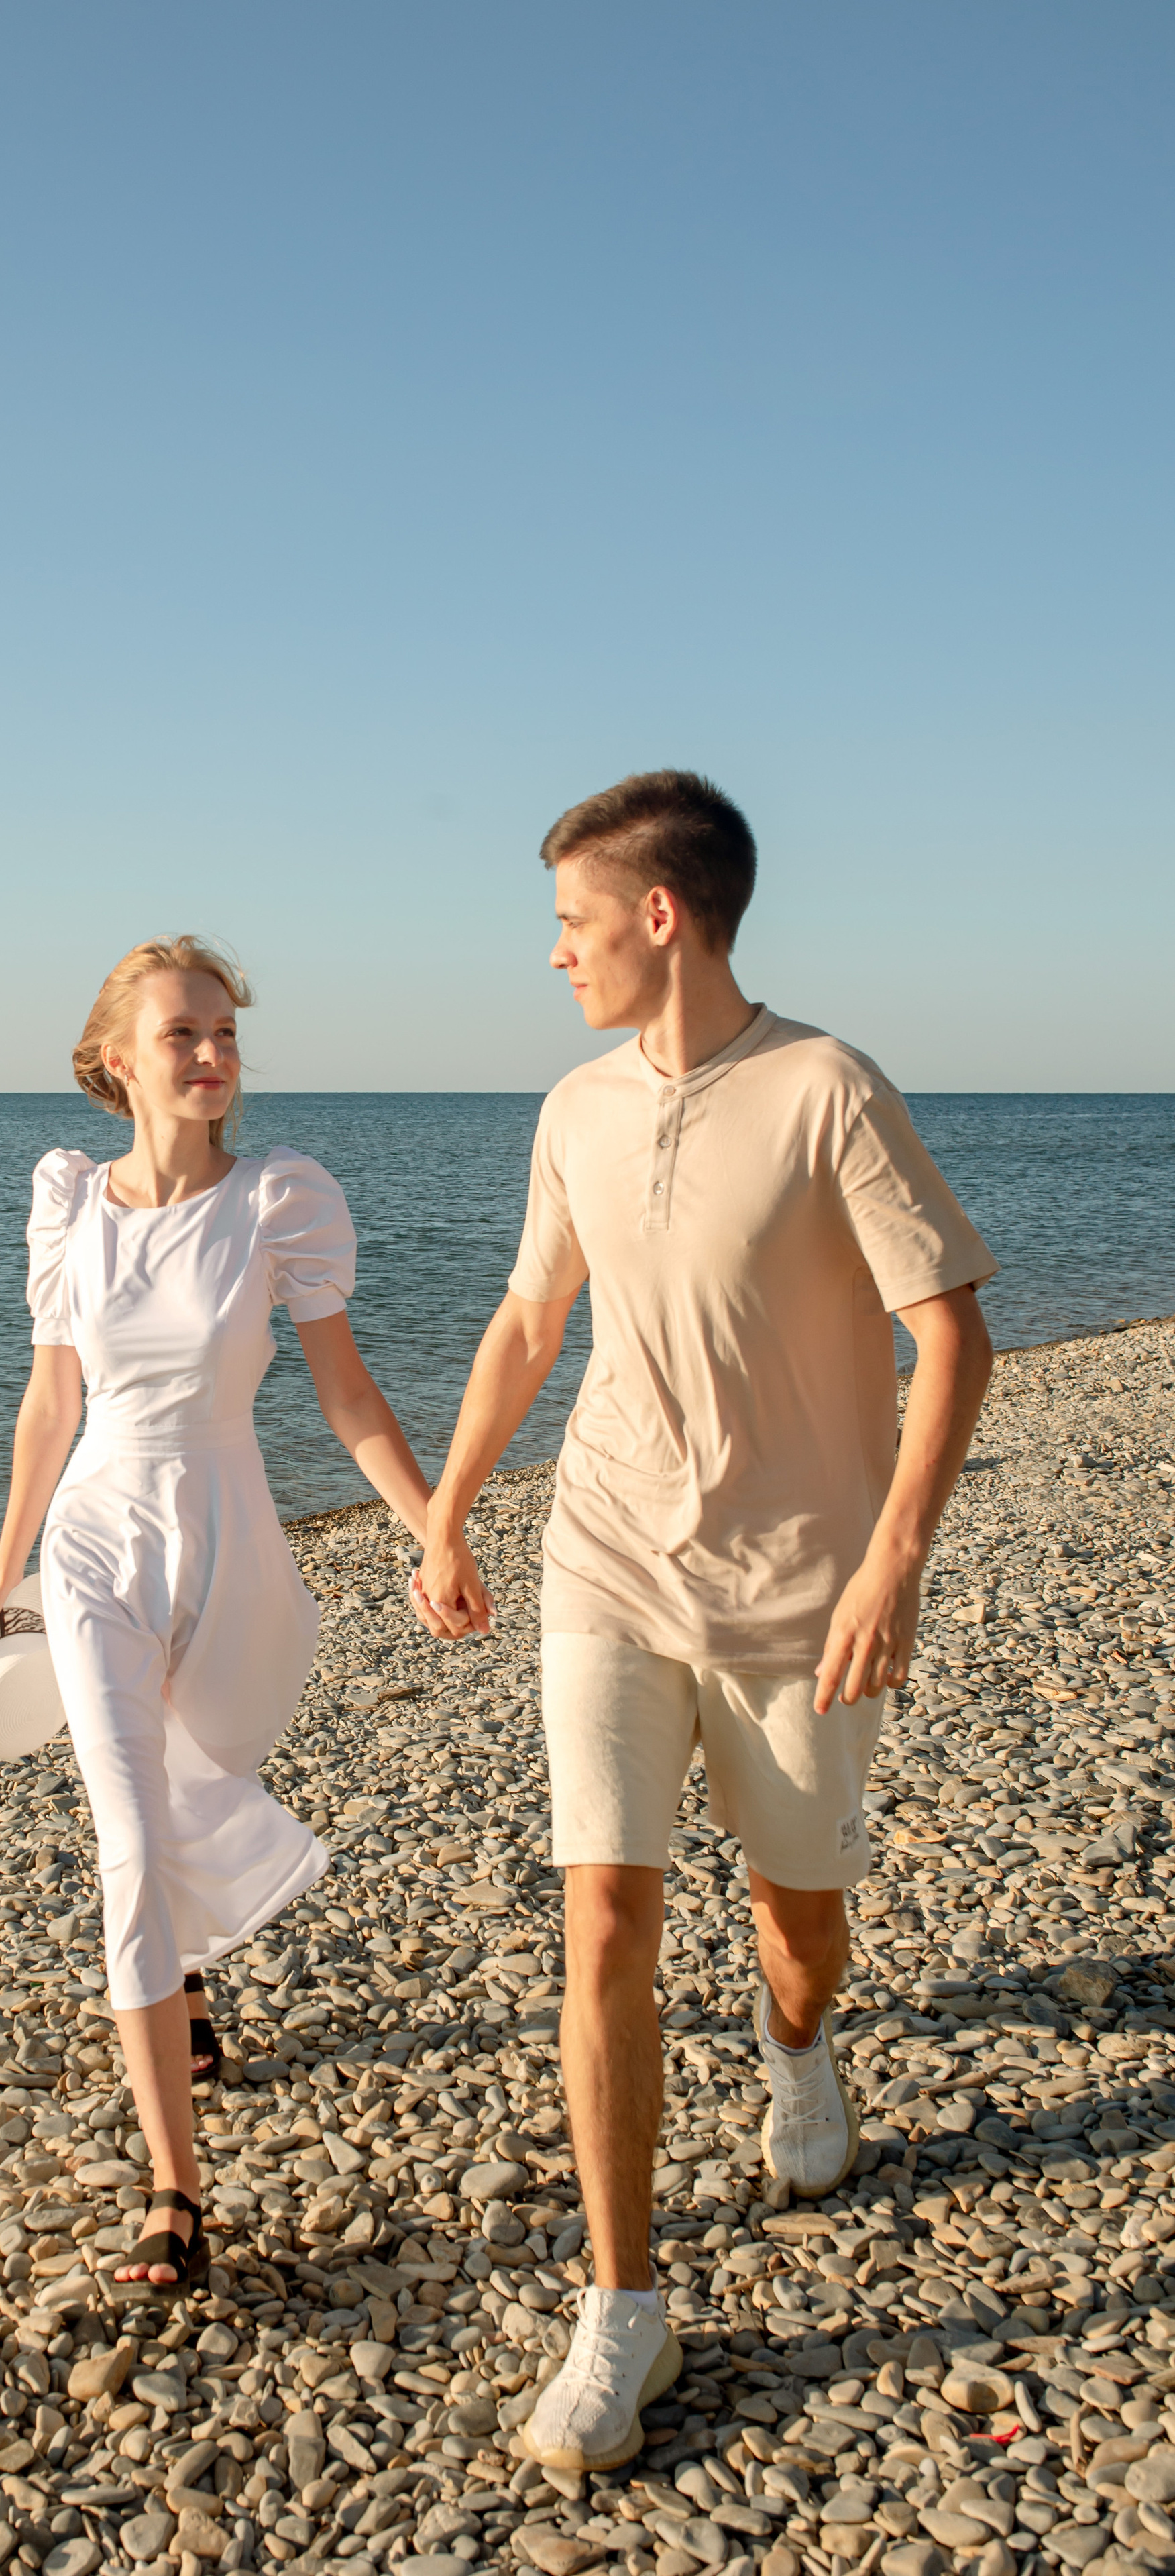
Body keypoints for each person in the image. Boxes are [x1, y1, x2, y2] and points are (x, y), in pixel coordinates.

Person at [411, 772, 995, 2471]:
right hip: (605, 1555)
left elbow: (949, 1331)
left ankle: (795, 2049)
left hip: (801, 1591)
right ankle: (624, 2305)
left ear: (657, 916)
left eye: (571, 921)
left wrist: (891, 1560)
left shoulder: (825, 1090)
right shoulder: (574, 1106)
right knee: (603, 1911)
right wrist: (448, 1505)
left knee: (793, 1923)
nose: (555, 954)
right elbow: (531, 1318)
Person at [0, 934, 431, 2291]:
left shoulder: (276, 1202)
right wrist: (1, 1567)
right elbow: (52, 1402)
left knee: (198, 1778)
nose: (212, 1054)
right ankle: (175, 2189)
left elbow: (344, 1391)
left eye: (224, 1033)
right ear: (118, 1059)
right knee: (128, 1836)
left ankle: (189, 1975)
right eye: (182, 1034)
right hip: (95, 1539)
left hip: (229, 1538)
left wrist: (433, 1527)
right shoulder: (69, 1201)